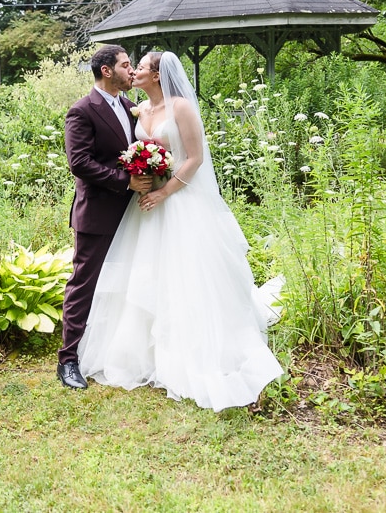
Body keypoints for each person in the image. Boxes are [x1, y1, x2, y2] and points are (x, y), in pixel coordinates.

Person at [77, 51, 283, 411]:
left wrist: (163, 191)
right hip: (144, 206)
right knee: (145, 274)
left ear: (157, 75)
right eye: (131, 66)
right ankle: (145, 352)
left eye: (139, 67)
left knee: (184, 275)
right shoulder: (136, 108)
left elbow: (195, 158)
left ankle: (189, 350)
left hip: (177, 201)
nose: (134, 71)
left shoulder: (182, 107)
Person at [59, 44, 152, 390]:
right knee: (84, 284)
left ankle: (115, 351)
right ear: (107, 71)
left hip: (133, 214)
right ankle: (68, 360)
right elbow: (79, 163)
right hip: (97, 213)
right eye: (126, 65)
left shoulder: (131, 107)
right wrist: (124, 181)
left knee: (128, 282)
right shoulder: (82, 111)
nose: (132, 71)